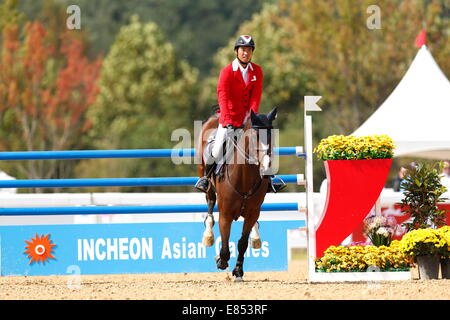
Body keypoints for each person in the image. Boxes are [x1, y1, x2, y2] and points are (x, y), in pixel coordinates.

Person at [195, 35, 285, 193]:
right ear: (237, 51)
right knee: (216, 151)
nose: (246, 53)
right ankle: (205, 180)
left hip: (248, 120)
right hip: (228, 118)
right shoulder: (227, 72)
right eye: (243, 49)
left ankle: (269, 180)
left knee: (263, 146)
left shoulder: (257, 71)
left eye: (249, 50)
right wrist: (228, 120)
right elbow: (222, 97)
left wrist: (251, 117)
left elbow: (255, 97)